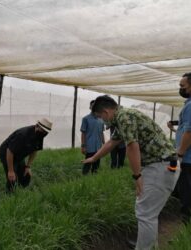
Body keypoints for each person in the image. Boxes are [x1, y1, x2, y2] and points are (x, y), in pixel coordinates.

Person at [83, 95, 179, 250]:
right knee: (147, 212)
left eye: (101, 117)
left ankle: (144, 247)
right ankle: (147, 244)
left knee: (145, 214)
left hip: (161, 166)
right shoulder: (123, 117)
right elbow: (112, 142)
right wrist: (93, 158)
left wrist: (137, 176)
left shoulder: (125, 118)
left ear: (106, 112)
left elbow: (132, 146)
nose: (102, 120)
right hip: (159, 165)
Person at [0, 118, 52, 192]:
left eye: (46, 132)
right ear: (37, 126)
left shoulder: (40, 136)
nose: (44, 133)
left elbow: (34, 151)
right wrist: (10, 171)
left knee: (26, 175)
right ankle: (10, 195)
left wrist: (28, 166)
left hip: (19, 155)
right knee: (12, 178)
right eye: (43, 130)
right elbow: (10, 151)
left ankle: (22, 191)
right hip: (7, 154)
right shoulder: (23, 134)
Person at [175, 72, 191, 223]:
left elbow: (189, 131)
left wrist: (180, 152)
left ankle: (186, 222)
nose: (180, 89)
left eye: (182, 86)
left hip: (187, 157)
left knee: (186, 187)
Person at [80, 100, 105, 175]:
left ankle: (94, 177)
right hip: (89, 146)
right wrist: (83, 146)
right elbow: (83, 133)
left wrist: (104, 144)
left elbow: (101, 132)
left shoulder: (101, 119)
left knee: (96, 164)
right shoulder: (86, 119)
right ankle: (84, 177)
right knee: (87, 163)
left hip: (98, 146)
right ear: (90, 107)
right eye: (92, 105)